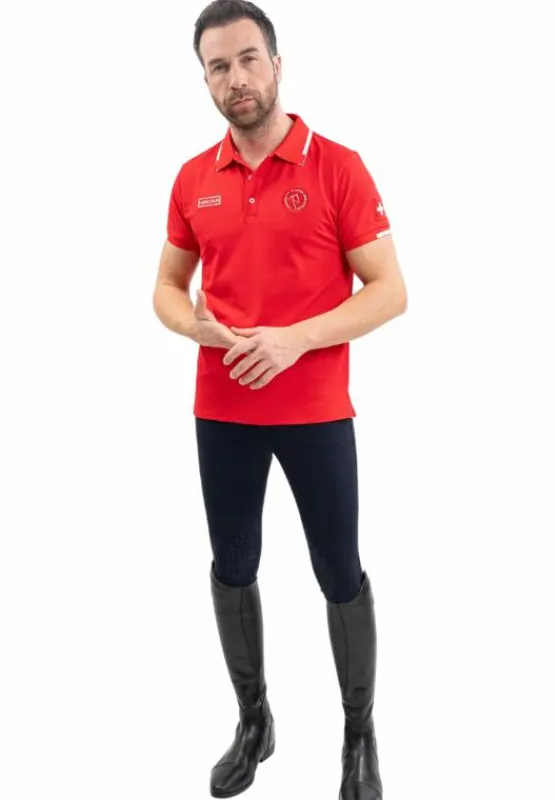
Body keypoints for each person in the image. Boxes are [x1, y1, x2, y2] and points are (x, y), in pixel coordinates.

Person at [152, 1, 407, 797]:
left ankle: (358, 735)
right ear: (205, 80)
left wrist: (296, 339)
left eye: (247, 59)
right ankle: (254, 721)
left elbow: (390, 291)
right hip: (222, 411)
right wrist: (193, 326)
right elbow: (166, 287)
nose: (236, 78)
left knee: (338, 571)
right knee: (233, 567)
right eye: (218, 67)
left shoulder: (337, 166)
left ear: (276, 64)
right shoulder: (193, 178)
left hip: (316, 411)